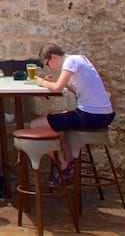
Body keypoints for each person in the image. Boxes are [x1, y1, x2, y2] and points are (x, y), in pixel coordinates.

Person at [29, 44, 114, 180]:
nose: (50, 68)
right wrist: (59, 83)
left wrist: (41, 82)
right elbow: (77, 89)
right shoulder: (81, 59)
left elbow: (57, 89)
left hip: (90, 116)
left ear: (54, 57)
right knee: (56, 118)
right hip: (105, 115)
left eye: (48, 64)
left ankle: (63, 165)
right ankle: (70, 163)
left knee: (36, 125)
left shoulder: (70, 61)